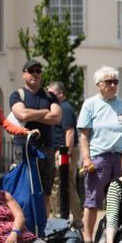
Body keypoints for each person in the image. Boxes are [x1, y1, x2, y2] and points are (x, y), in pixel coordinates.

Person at [77, 66, 122, 243]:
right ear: (98, 84)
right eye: (108, 82)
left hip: (121, 157)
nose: (112, 85)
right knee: (93, 200)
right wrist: (86, 158)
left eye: (115, 82)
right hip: (99, 158)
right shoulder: (90, 104)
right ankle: (88, 240)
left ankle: (116, 236)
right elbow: (84, 135)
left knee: (121, 199)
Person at [9, 59, 62, 213]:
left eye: (38, 71)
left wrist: (31, 114)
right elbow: (22, 114)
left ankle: (43, 229)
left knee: (46, 191)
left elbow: (57, 117)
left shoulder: (50, 96)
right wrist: (45, 112)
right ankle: (25, 228)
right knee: (24, 190)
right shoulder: (17, 94)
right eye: (31, 71)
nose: (35, 74)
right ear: (23, 74)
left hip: (46, 148)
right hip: (24, 148)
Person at [46, 81, 83, 227]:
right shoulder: (61, 107)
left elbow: (70, 132)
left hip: (64, 151)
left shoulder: (64, 108)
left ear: (60, 93)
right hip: (66, 150)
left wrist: (66, 154)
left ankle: (59, 219)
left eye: (51, 92)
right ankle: (77, 220)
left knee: (57, 184)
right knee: (70, 184)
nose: (49, 96)